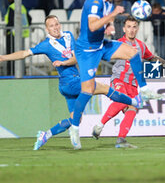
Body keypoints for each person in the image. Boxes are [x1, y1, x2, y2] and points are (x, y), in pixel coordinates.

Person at [0, 15, 141, 150]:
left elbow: (76, 58)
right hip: (70, 83)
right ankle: (133, 103)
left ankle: (45, 135)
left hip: (72, 82)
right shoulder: (46, 45)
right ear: (47, 29)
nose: (55, 28)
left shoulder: (68, 36)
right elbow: (24, 53)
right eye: (51, 26)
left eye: (56, 24)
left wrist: (64, 62)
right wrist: (3, 57)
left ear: (60, 25)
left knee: (76, 119)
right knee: (104, 88)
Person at [70, 0, 162, 150]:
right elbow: (92, 26)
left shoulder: (108, 3)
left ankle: (144, 89)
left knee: (134, 53)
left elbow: (105, 25)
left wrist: (110, 25)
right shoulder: (94, 1)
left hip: (101, 45)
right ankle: (74, 128)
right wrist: (113, 14)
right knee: (88, 90)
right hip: (87, 50)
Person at [92, 16, 165, 148]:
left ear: (137, 29)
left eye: (134, 27)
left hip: (133, 84)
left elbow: (153, 58)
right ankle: (99, 125)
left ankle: (121, 140)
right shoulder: (118, 43)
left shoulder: (141, 46)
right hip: (119, 79)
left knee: (132, 110)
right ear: (124, 29)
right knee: (120, 100)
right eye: (129, 27)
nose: (131, 30)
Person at [4, 0, 31, 75]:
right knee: (20, 56)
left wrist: (7, 30)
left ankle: (10, 74)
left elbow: (11, 22)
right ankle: (22, 73)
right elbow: (29, 19)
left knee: (11, 56)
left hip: (12, 35)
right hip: (21, 35)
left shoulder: (12, 7)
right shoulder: (22, 6)